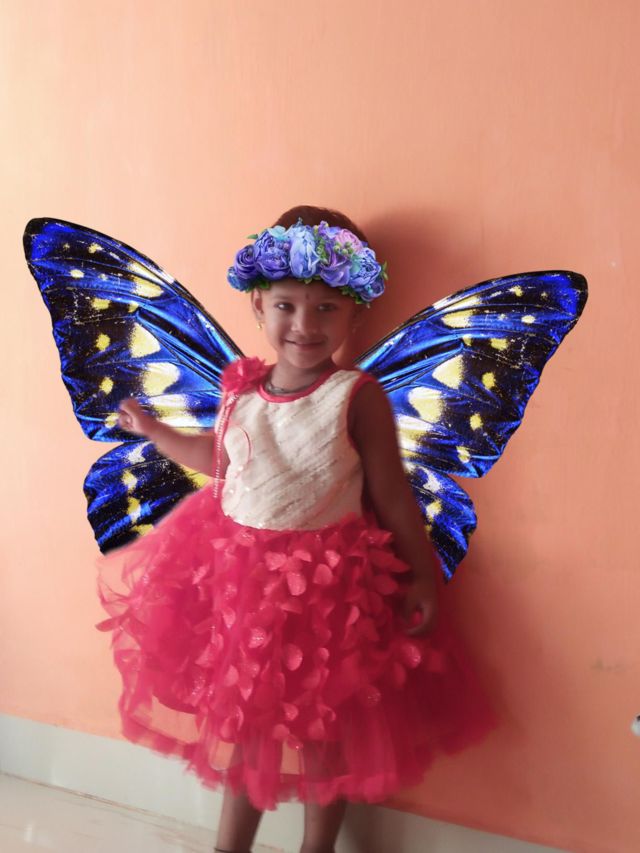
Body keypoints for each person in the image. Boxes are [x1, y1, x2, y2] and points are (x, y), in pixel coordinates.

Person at [99, 205, 498, 853]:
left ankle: (318, 846)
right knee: (245, 723)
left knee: (323, 731)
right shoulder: (240, 390)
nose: (305, 325)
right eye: (286, 305)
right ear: (258, 306)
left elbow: (391, 493)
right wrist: (154, 430)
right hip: (241, 584)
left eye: (325, 309)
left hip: (328, 594)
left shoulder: (355, 395)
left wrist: (422, 575)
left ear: (355, 314)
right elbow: (220, 461)